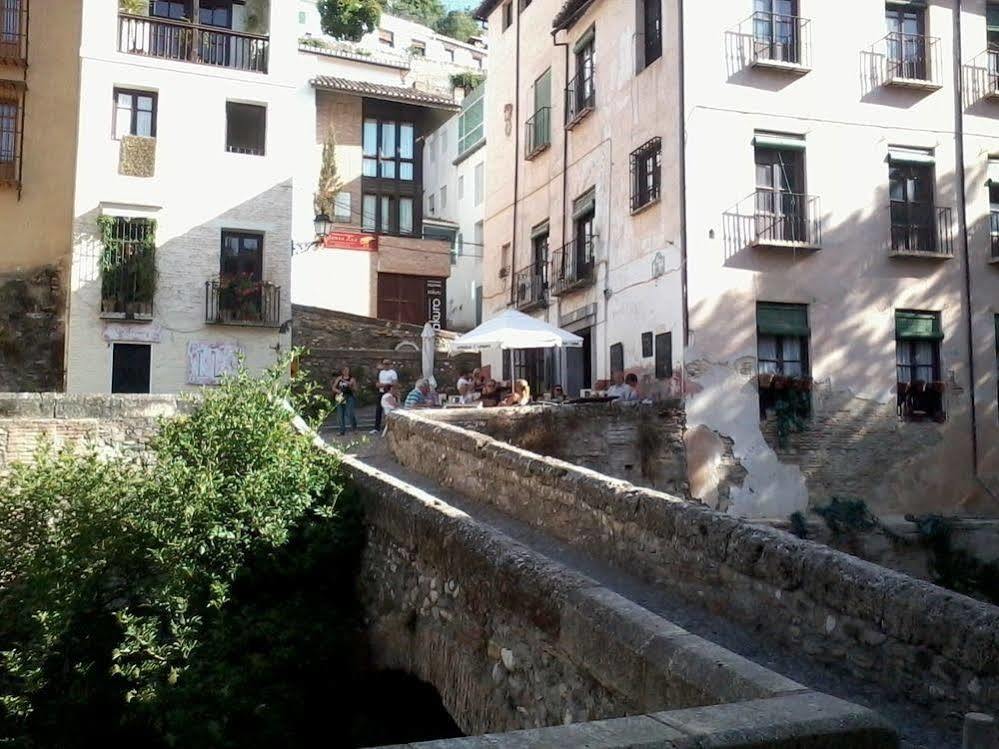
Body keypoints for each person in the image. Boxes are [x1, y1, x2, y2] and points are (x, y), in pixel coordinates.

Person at [373, 358, 398, 433]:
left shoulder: (393, 373)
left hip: (389, 393)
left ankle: (391, 426)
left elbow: (394, 383)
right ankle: (376, 428)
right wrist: (384, 385)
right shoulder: (381, 373)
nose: (386, 365)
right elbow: (377, 384)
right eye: (384, 364)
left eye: (387, 364)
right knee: (378, 410)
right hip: (381, 392)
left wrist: (384, 385)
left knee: (390, 409)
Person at [332, 366, 358, 436]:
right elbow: (333, 387)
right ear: (342, 371)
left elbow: (355, 388)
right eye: (344, 370)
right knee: (340, 414)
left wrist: (347, 383)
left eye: (347, 370)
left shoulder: (352, 379)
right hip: (340, 396)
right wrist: (338, 391)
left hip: (349, 396)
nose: (345, 371)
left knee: (350, 413)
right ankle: (342, 430)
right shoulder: (339, 378)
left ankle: (354, 428)